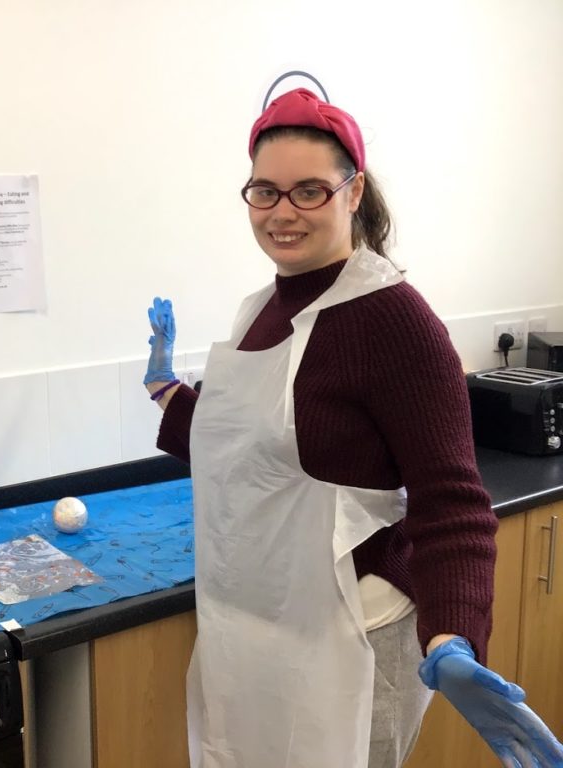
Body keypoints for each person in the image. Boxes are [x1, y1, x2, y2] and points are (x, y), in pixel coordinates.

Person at [142, 88, 563, 768]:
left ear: (352, 190)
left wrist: (453, 635)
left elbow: (451, 500)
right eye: (266, 191)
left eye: (309, 191)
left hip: (356, 638)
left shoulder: (394, 320)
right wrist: (165, 389)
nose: (283, 212)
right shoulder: (261, 310)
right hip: (255, 633)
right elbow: (245, 450)